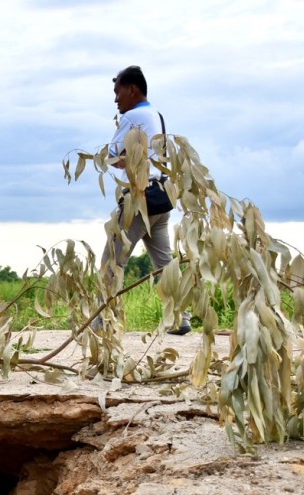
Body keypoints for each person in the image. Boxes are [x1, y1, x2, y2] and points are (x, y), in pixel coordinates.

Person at [101, 65, 189, 335]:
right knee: (164, 263)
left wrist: (123, 160)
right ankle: (180, 318)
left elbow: (113, 156)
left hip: (139, 200)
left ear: (132, 90)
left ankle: (102, 322)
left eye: (118, 93)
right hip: (162, 198)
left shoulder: (132, 116)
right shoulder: (156, 115)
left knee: (112, 262)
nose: (116, 100)